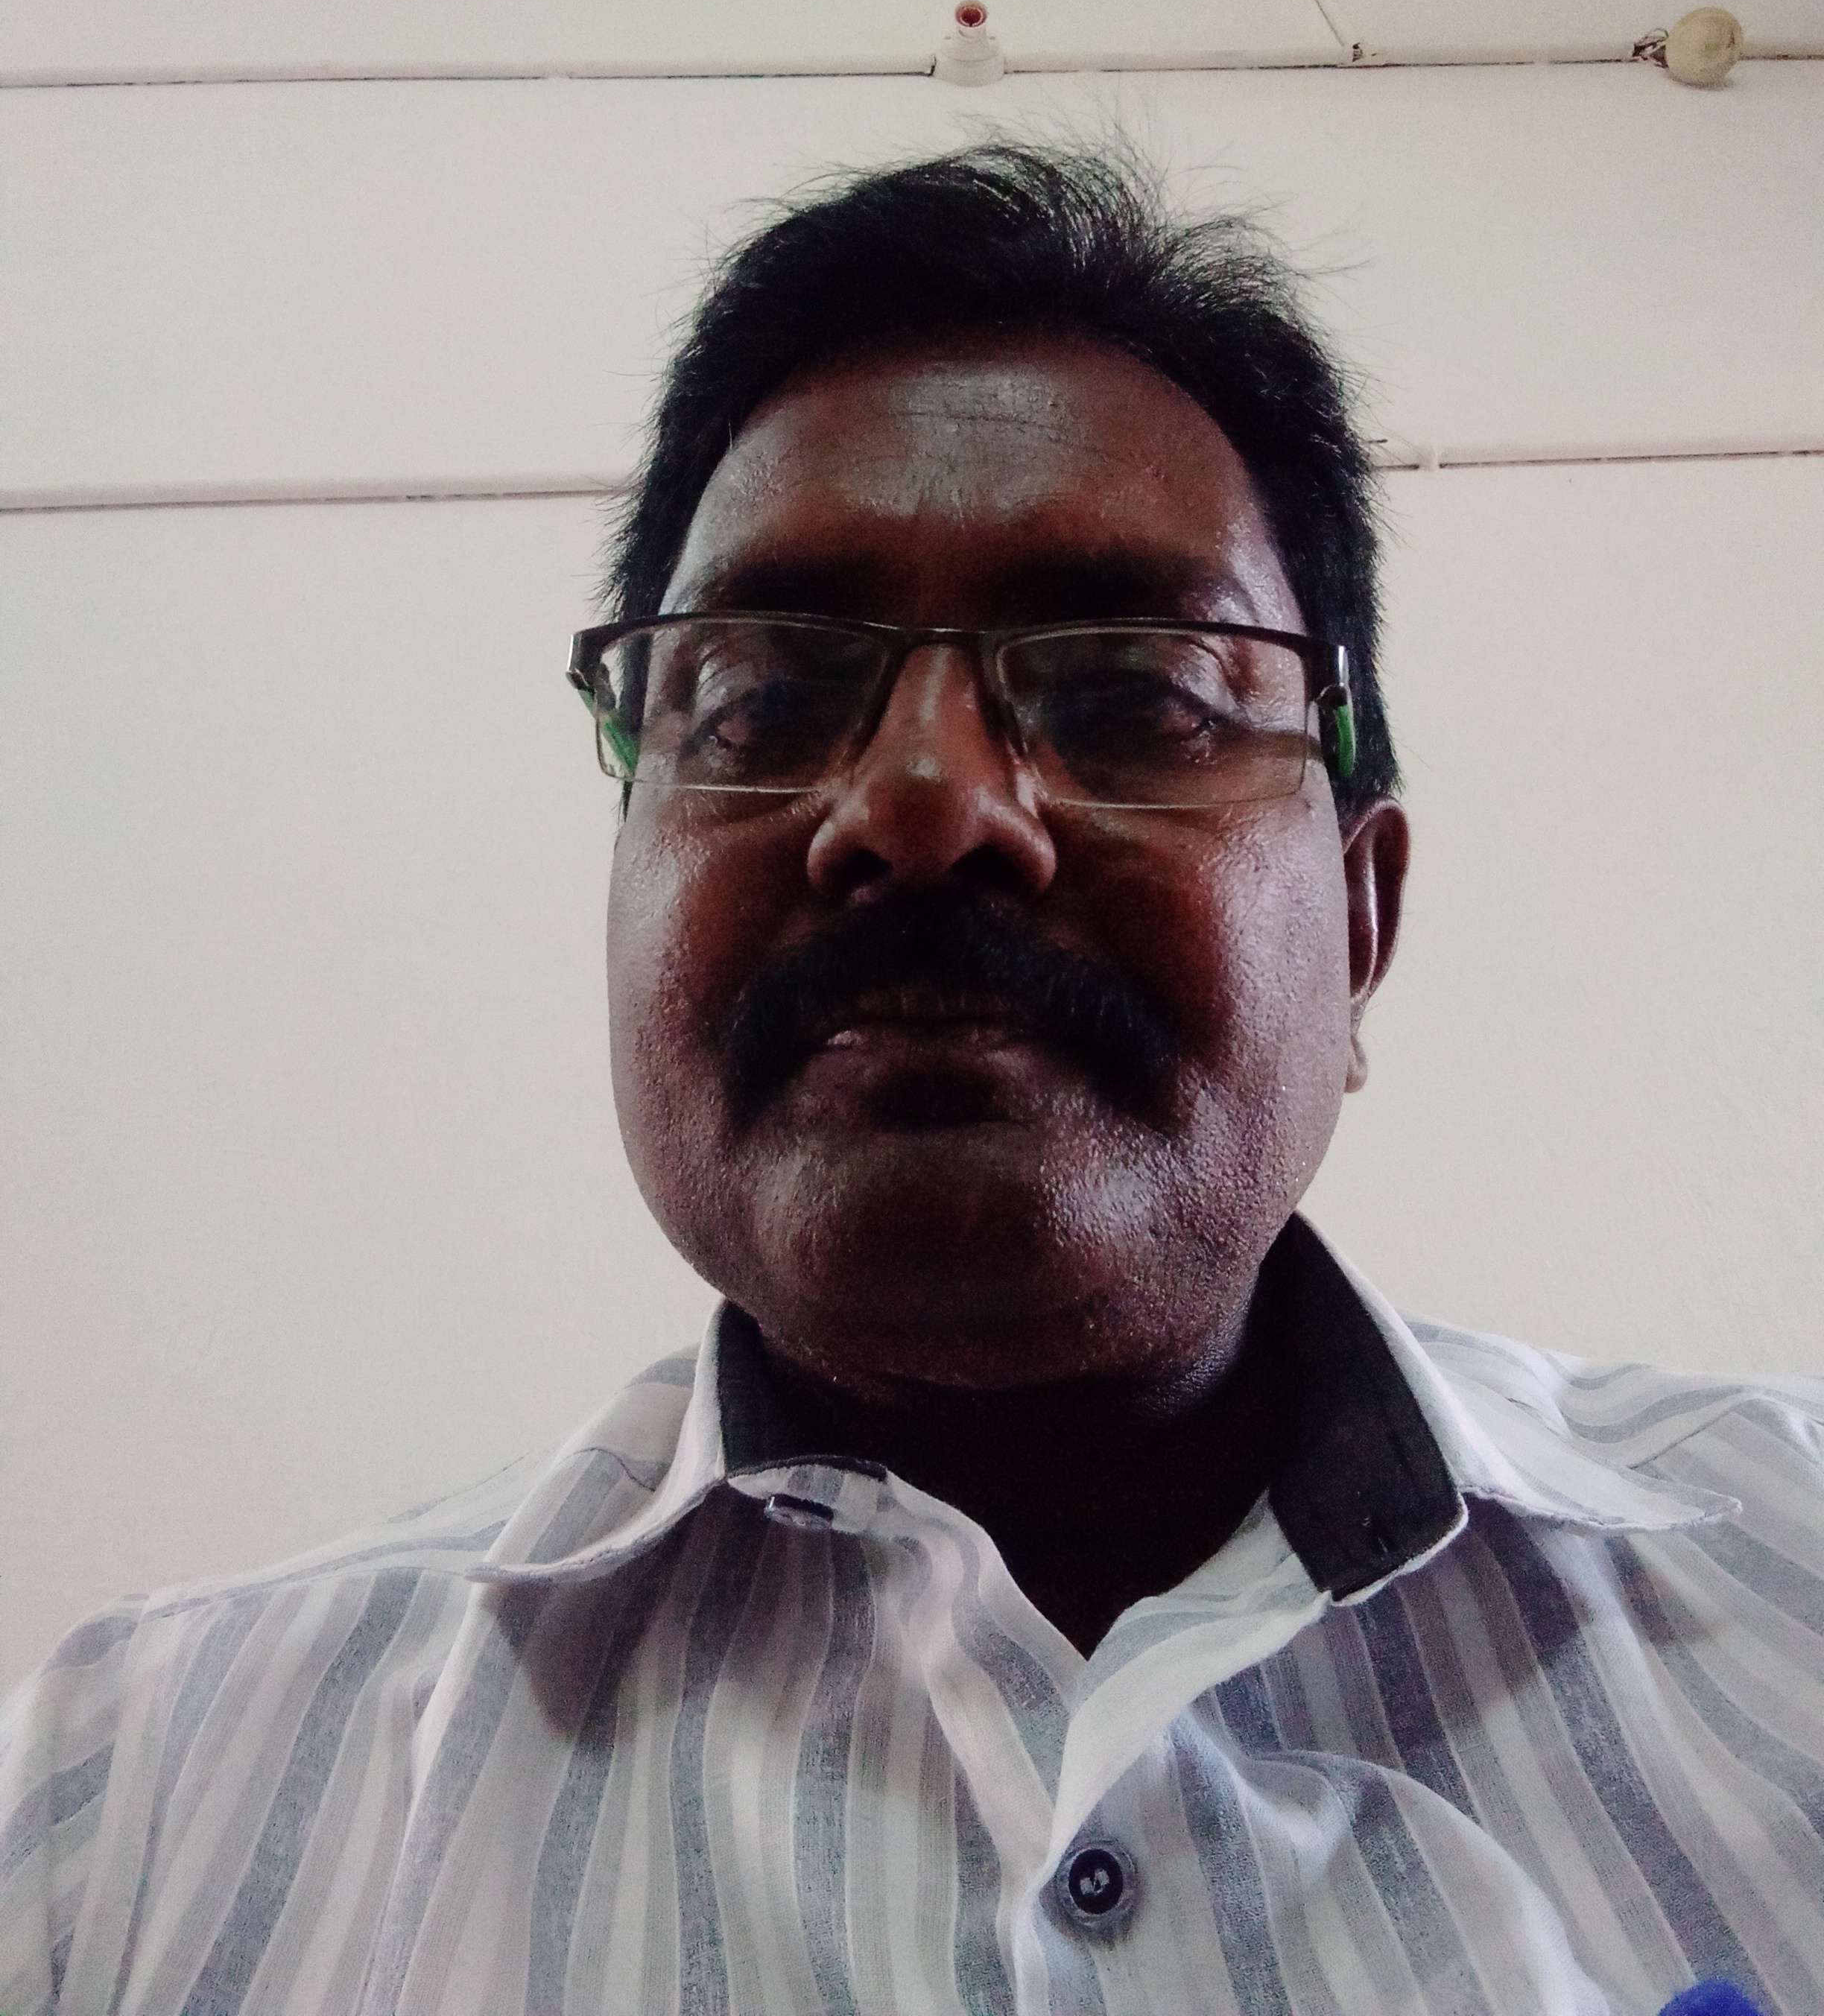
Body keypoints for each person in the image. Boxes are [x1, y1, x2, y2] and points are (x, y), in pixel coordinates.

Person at [3, 142, 1820, 2016]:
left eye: (1137, 694)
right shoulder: (123, 1816)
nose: (928, 804)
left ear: (1359, 925)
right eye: (762, 698)